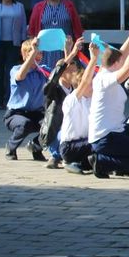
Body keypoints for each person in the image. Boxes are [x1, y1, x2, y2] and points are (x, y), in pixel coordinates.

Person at [88, 28, 129, 178]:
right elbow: (127, 68)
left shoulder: (107, 69)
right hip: (104, 137)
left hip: (117, 130)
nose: (123, 61)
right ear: (116, 63)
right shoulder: (104, 79)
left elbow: (120, 56)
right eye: (120, 61)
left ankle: (123, 164)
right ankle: (101, 161)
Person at [38, 37, 84, 169]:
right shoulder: (53, 89)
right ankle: (56, 155)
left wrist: (68, 51)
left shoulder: (74, 90)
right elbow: (57, 73)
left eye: (75, 71)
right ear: (62, 73)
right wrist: (71, 53)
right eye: (71, 71)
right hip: (55, 131)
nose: (75, 74)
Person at [3, 38, 47, 161]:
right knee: (24, 124)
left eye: (40, 53)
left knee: (52, 124)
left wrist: (69, 50)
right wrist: (32, 54)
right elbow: (20, 76)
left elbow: (61, 71)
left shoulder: (43, 71)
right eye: (34, 52)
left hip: (37, 112)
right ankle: (11, 147)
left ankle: (36, 147)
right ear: (24, 55)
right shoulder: (16, 69)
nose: (38, 55)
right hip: (15, 114)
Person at [60, 42, 100, 174]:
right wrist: (93, 59)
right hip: (70, 147)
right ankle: (70, 162)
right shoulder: (72, 100)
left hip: (84, 143)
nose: (93, 86)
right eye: (91, 84)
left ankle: (81, 164)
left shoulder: (92, 100)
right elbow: (85, 81)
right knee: (101, 143)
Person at [27, 0, 83, 70]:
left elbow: (77, 27)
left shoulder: (69, 5)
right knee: (46, 73)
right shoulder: (38, 7)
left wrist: (78, 43)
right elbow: (32, 29)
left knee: (65, 72)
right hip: (45, 49)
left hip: (65, 47)